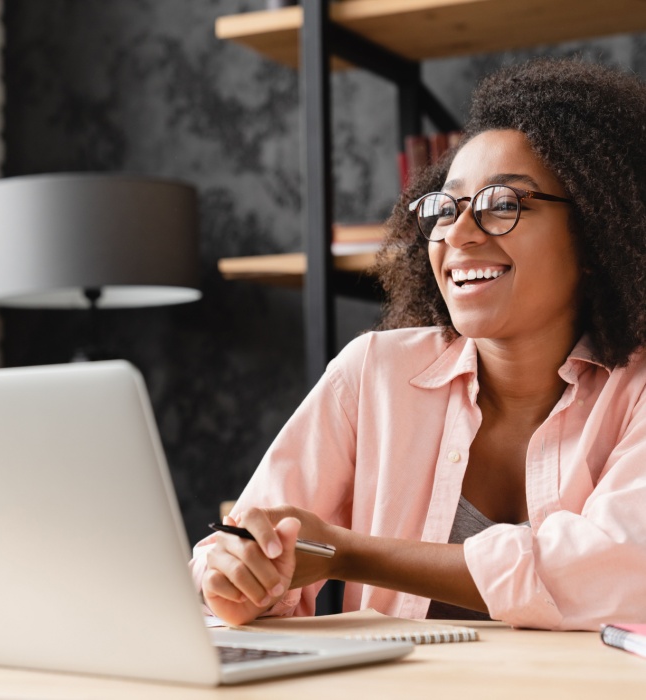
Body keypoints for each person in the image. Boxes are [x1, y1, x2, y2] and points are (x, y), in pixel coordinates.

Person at [190, 57, 646, 631]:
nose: (457, 233)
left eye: (502, 204)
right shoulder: (373, 374)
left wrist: (349, 552)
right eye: (445, 208)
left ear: (598, 231)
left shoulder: (638, 391)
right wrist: (237, 578)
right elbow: (234, 553)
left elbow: (622, 572)